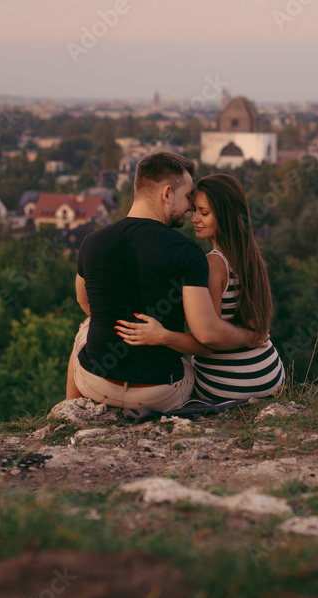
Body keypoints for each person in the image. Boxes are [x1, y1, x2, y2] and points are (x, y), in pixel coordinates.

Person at [66, 152, 265, 412]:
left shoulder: (92, 241)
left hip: (97, 385)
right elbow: (206, 335)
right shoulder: (187, 252)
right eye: (187, 197)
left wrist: (115, 323)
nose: (190, 207)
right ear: (167, 193)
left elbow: (84, 300)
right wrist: (250, 338)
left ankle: (69, 412)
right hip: (159, 394)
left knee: (86, 328)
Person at [115, 173, 285, 401]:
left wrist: (162, 336)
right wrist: (250, 338)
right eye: (194, 210)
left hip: (228, 386)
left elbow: (207, 338)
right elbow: (256, 328)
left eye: (204, 213)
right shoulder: (252, 258)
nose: (194, 218)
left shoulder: (212, 264)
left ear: (226, 217)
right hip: (270, 376)